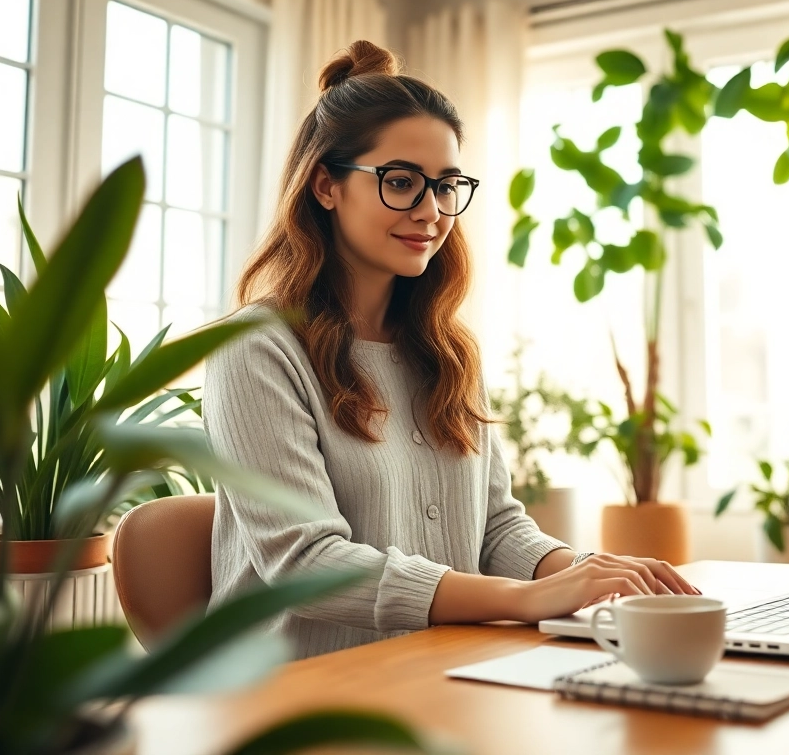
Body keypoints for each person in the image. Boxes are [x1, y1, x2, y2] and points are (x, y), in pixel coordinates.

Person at [203, 40, 699, 658]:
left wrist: (586, 573)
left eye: (446, 186)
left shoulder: (448, 351)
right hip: (295, 698)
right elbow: (306, 564)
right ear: (326, 186)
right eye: (402, 182)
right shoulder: (255, 349)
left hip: (435, 671)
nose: (433, 212)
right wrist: (524, 600)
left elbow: (494, 527)